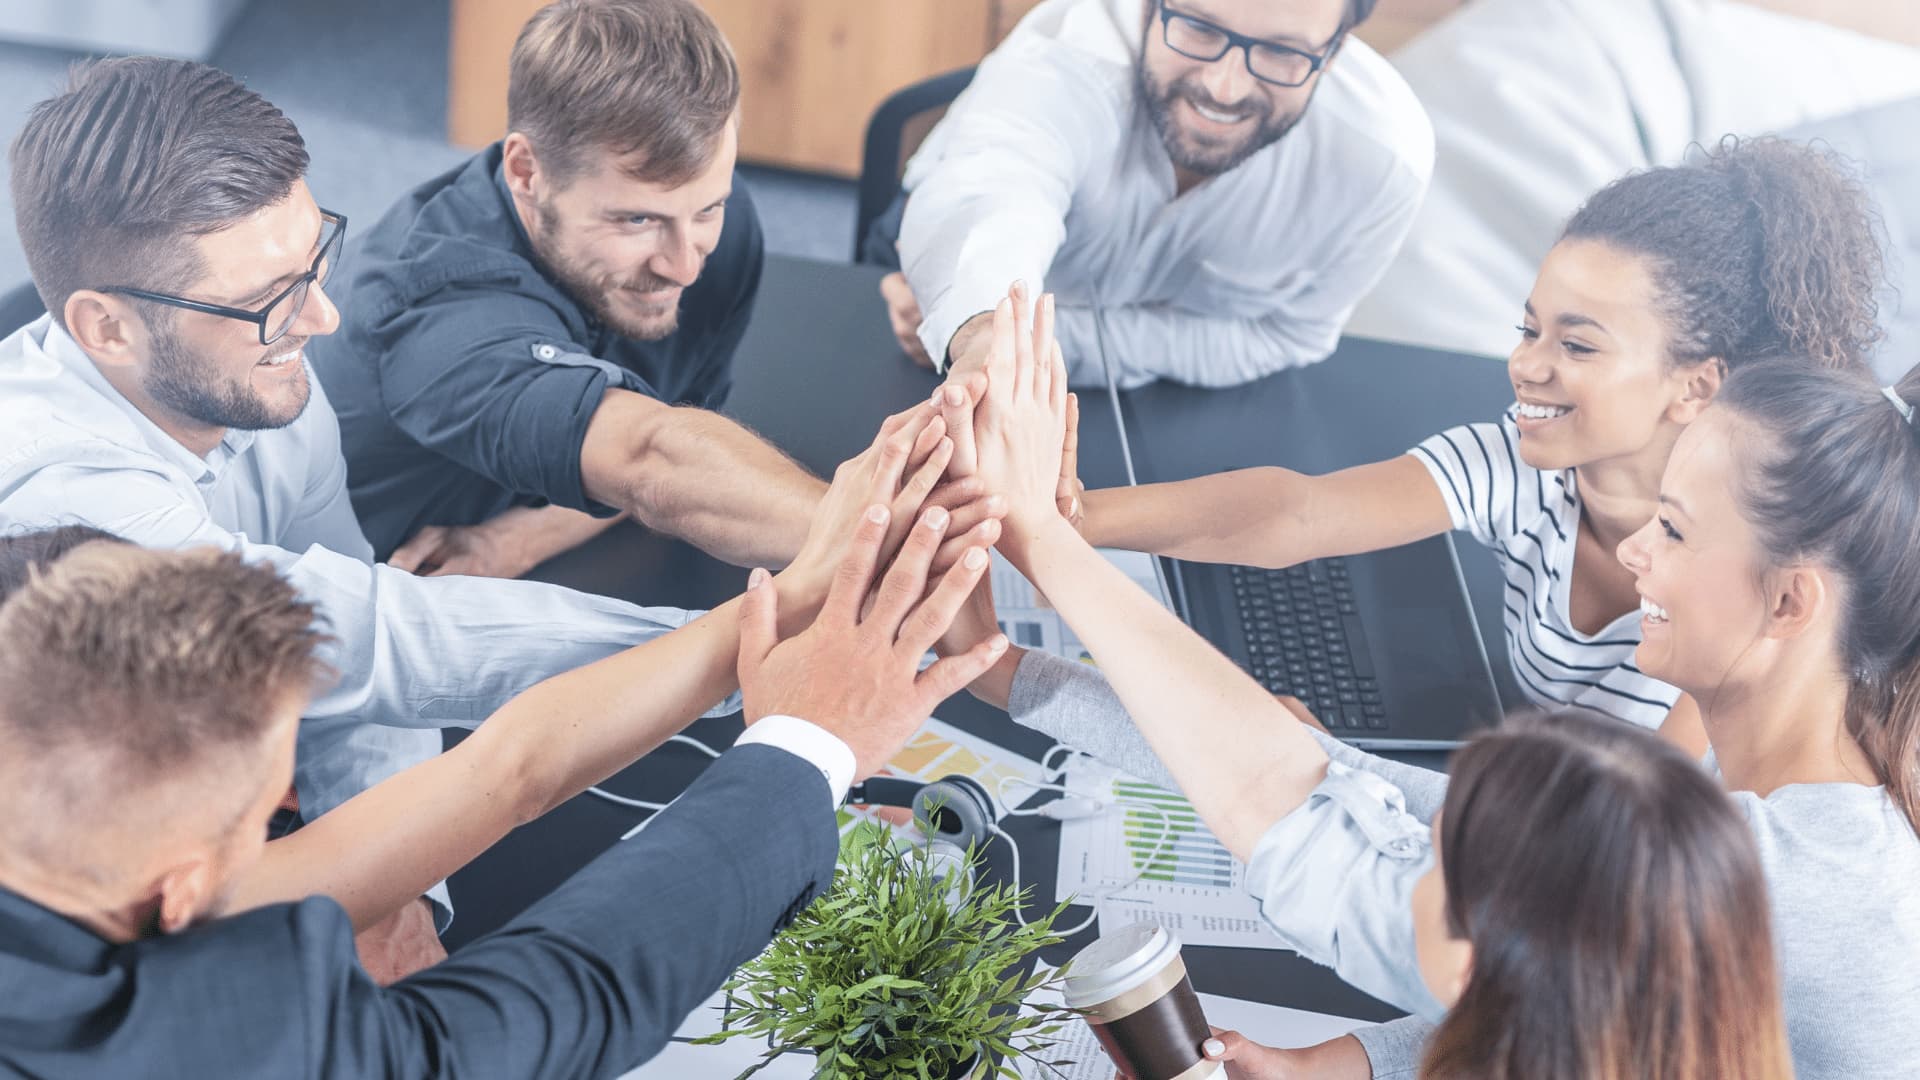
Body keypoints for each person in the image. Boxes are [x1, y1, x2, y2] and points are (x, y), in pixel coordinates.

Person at [0, 55, 1003, 976]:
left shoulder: (257, 376)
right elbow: (379, 645)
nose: (323, 319)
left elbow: (358, 628)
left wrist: (402, 897)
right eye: (272, 300)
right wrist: (768, 635)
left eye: (317, 261)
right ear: (105, 327)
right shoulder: (73, 505)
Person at [949, 290, 1920, 1077]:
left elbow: (1334, 852)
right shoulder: (1752, 808)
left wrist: (1042, 533)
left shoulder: (1772, 882)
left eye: (1673, 528)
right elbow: (1561, 1011)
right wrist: (1001, 670)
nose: (1632, 550)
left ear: (1791, 603)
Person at [0, 451, 1009, 1078]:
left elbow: (504, 772)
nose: (301, 810)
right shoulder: (243, 1044)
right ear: (177, 893)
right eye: (276, 808)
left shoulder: (67, 851)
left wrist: (791, 603)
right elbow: (575, 990)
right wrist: (808, 744)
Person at [1067, 137, 1886, 747]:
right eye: (1528, 328)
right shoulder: (1530, 466)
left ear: (1695, 385)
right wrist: (1065, 514)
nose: (1524, 365)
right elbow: (1298, 514)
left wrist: (1320, 773)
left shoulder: (1743, 586)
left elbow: (1629, 835)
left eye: (1578, 345)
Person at [311, 0, 818, 576]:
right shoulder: (434, 317)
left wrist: (524, 537)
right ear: (527, 173)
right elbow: (653, 460)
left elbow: (682, 418)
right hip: (371, 594)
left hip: (531, 538)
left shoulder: (715, 228)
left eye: (708, 209)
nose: (683, 267)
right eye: (636, 221)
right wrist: (895, 540)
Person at [876, 0, 1432, 390]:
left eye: (1283, 53)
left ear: (1334, 52)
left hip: (1091, 374)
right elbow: (993, 192)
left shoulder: (1386, 165)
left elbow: (1288, 337)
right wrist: (980, 329)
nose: (1224, 89)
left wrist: (1042, 348)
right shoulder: (1061, 64)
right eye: (1198, 26)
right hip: (929, 283)